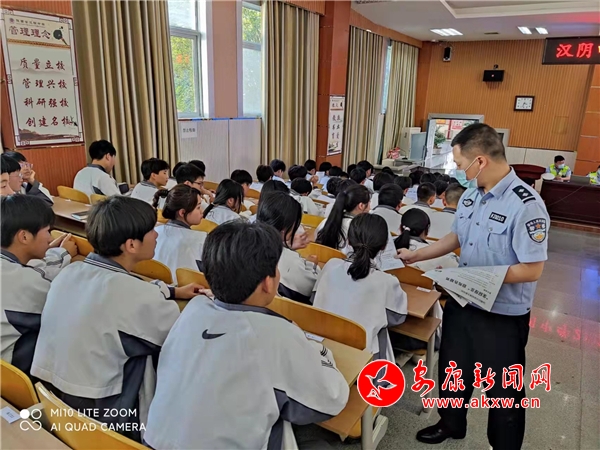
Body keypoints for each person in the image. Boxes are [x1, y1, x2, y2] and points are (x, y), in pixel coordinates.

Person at [399, 123, 549, 448]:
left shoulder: (526, 205)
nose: (458, 171)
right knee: (454, 369)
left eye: (460, 163)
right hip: (463, 300)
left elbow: (533, 269)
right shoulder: (470, 195)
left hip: (502, 314)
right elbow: (456, 236)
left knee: (503, 390)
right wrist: (417, 255)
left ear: (480, 161)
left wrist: (484, 277)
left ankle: (504, 444)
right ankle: (451, 423)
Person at [144, 221, 349, 449]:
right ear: (267, 283)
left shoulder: (194, 309)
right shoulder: (277, 334)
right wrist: (317, 349)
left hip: (151, 442)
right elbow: (331, 400)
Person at [30, 196, 203, 441]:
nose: (157, 234)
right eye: (151, 230)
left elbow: (117, 290)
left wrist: (171, 291)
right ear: (131, 245)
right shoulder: (139, 297)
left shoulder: (69, 272)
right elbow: (180, 339)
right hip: (105, 412)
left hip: (54, 398)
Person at [312, 214, 407, 362]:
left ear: (348, 241)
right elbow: (397, 317)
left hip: (320, 346)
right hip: (361, 355)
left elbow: (315, 297)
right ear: (384, 246)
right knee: (381, 331)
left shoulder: (331, 265)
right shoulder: (387, 281)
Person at [1, 195, 76, 376]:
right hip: (12, 376)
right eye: (48, 231)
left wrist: (56, 253)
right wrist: (62, 253)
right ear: (24, 236)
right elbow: (61, 300)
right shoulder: (24, 281)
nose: (50, 238)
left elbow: (35, 271)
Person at [257, 192, 319, 303]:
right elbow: (311, 289)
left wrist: (285, 245)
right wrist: (312, 264)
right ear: (285, 229)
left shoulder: (243, 242)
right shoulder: (288, 262)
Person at [152, 184, 207, 275]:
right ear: (182, 212)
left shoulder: (155, 231)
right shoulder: (201, 239)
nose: (201, 211)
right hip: (187, 283)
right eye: (198, 207)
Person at [316, 184, 370, 254]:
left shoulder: (326, 221)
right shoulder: (359, 229)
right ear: (361, 206)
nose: (370, 208)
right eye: (369, 203)